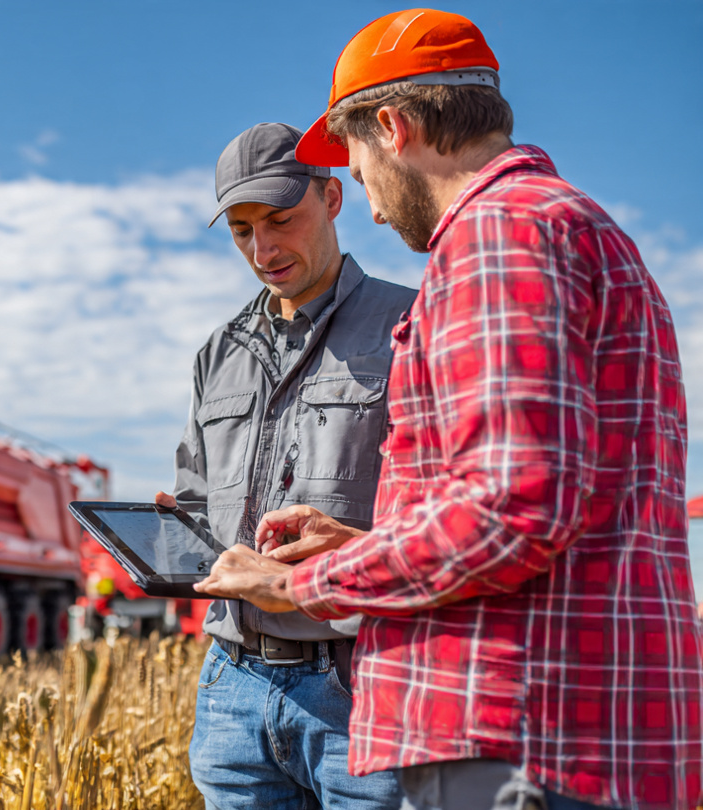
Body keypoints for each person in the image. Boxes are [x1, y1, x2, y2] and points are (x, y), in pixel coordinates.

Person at [192, 10, 703, 810]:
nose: (372, 206)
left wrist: (305, 583)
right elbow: (538, 506)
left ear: (393, 129)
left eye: (358, 174)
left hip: (516, 732)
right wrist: (368, 541)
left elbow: (510, 508)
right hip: (553, 725)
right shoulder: (554, 226)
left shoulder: (500, 237)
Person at [161, 121, 415, 808]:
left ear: (333, 197)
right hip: (231, 691)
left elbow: (440, 522)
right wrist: (166, 544)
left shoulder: (413, 324)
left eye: (280, 219)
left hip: (361, 687)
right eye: (242, 230)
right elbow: (192, 506)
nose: (263, 248)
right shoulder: (217, 353)